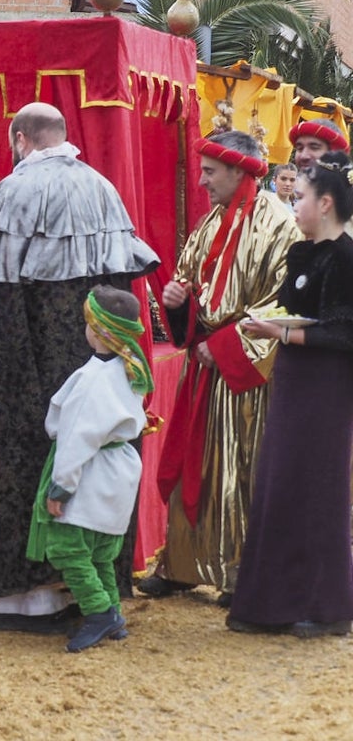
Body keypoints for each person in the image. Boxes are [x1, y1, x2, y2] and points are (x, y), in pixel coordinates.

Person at [0, 102, 159, 634]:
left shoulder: (8, 196)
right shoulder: (105, 191)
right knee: (89, 470)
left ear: (21, 139)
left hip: (24, 376)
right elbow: (124, 301)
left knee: (21, 467)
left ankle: (24, 602)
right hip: (100, 369)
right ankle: (86, 596)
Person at [139, 130, 301, 604]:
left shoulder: (280, 226)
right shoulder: (209, 223)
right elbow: (191, 286)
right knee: (197, 465)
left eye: (211, 172)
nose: (203, 181)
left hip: (245, 378)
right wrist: (176, 303)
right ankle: (184, 566)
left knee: (241, 471)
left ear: (238, 170)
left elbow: (285, 303)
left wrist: (228, 346)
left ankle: (240, 571)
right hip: (204, 369)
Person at [227, 152, 353, 638]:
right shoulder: (303, 252)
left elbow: (345, 334)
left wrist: (281, 334)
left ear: (325, 203)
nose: (292, 206)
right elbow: (289, 308)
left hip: (327, 384)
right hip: (295, 377)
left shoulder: (345, 257)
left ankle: (324, 606)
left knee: (316, 487)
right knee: (280, 481)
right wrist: (271, 326)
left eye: (299, 198)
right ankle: (269, 602)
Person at [27, 286, 152, 652]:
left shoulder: (93, 381)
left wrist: (61, 487)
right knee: (100, 551)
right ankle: (112, 612)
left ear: (96, 330)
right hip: (119, 467)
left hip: (90, 471)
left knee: (67, 546)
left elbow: (76, 438)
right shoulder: (129, 370)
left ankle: (100, 614)